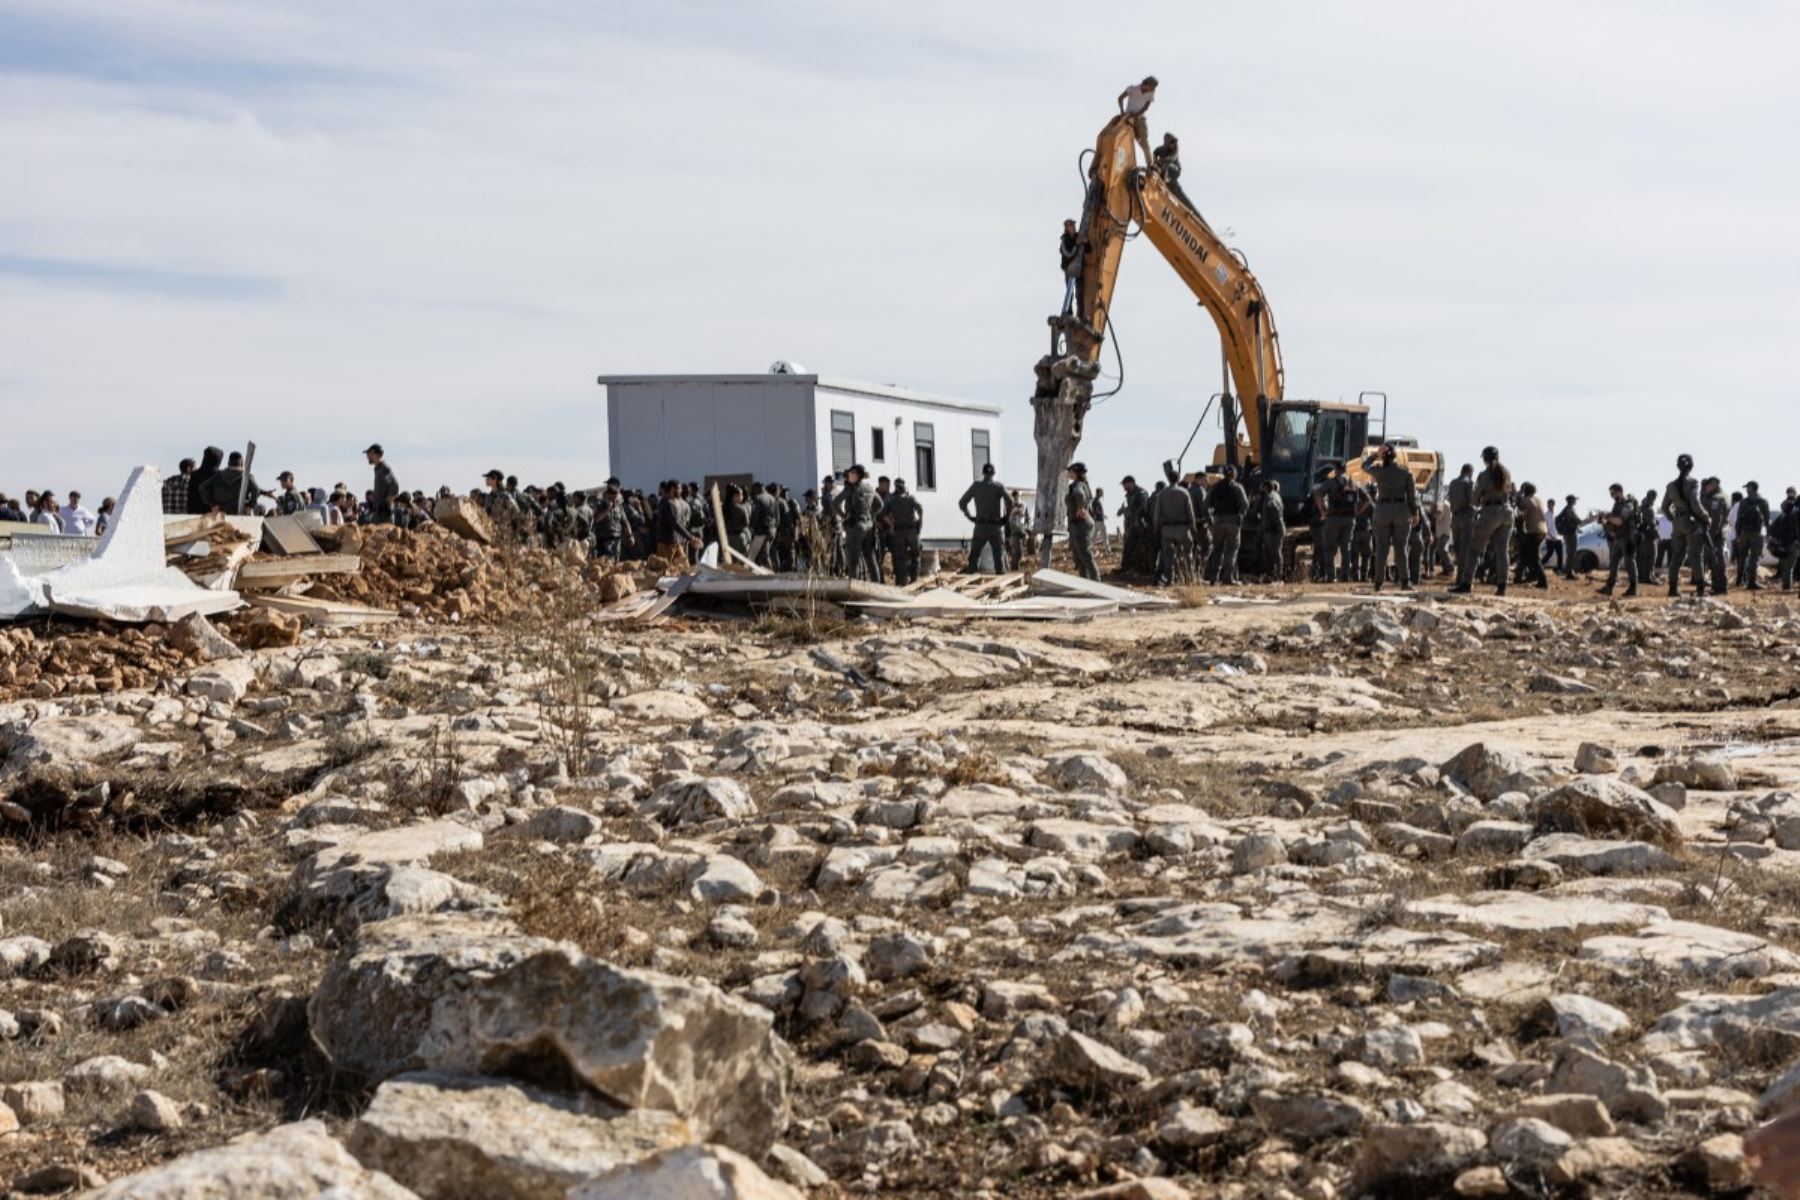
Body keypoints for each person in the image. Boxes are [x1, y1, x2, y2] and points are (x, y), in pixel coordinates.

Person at [1453, 446, 1513, 596]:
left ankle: (1466, 584)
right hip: (1507, 512)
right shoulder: (1506, 472)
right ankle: (1502, 586)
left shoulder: (1484, 474)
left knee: (1474, 549)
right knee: (1502, 551)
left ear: (1485, 458)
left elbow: (1474, 498)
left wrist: (1477, 503)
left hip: (1490, 512)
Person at [1366, 443, 1419, 591]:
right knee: (1401, 547)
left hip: (1382, 510)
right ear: (1396, 456)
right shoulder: (1406, 474)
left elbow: (1364, 466)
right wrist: (1415, 513)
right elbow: (1411, 497)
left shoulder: (1379, 472)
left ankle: (1378, 582)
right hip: (1401, 511)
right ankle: (1405, 581)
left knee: (1382, 548)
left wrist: (1376, 454)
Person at [1661, 454, 1711, 598]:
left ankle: (1672, 589)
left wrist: (1674, 519)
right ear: (1691, 466)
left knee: (1676, 557)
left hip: (1678, 523)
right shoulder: (1692, 483)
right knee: (1696, 556)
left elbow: (1665, 507)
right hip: (1691, 523)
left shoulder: (1671, 486)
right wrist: (1706, 517)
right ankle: (1701, 589)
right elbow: (1695, 503)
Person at [833, 463, 885, 581]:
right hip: (869, 526)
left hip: (856, 527)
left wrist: (844, 515)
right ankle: (876, 586)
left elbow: (835, 503)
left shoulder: (850, 489)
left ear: (856, 475)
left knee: (853, 562)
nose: (848, 475)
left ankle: (853, 589)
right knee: (870, 559)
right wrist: (871, 515)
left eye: (851, 473)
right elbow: (880, 504)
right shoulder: (869, 488)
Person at [958, 462, 1012, 574]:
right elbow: (1010, 501)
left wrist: (969, 516)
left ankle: (971, 579)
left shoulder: (976, 486)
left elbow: (962, 502)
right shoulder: (998, 487)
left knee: (974, 557)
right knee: (998, 558)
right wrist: (1006, 517)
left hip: (980, 526)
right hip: (994, 527)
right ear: (993, 473)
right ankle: (999, 581)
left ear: (983, 473)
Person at [1150, 470, 1197, 584]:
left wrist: (1156, 529)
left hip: (1167, 529)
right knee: (1188, 554)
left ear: (1168, 479)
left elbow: (1157, 515)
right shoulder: (1184, 493)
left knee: (1168, 557)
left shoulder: (1162, 494)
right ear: (1178, 478)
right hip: (1183, 528)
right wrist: (1193, 527)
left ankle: (1170, 579)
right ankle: (1189, 578)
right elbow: (1190, 513)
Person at [1206, 465, 1248, 586]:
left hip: (1218, 521)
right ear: (1234, 475)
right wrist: (1240, 517)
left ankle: (1214, 578)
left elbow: (1206, 504)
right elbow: (1244, 504)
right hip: (1232, 522)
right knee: (1231, 550)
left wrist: (1210, 520)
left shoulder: (1215, 487)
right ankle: (1227, 577)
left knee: (1217, 550)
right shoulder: (1237, 487)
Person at [1599, 483, 1638, 597]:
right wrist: (1604, 519)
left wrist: (1608, 518)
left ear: (1619, 491)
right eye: (1611, 493)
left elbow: (1619, 521)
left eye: (1613, 493)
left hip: (1628, 538)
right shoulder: (1616, 505)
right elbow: (1612, 521)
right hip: (1618, 538)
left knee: (1629, 563)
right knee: (1613, 563)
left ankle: (1633, 589)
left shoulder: (1628, 504)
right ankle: (1609, 587)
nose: (1611, 495)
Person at [887, 479, 924, 585]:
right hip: (912, 531)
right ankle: (914, 579)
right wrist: (921, 522)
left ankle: (902, 581)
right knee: (915, 555)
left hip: (899, 532)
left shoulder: (892, 499)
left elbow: (883, 513)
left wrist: (891, 524)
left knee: (901, 557)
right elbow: (920, 509)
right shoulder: (910, 498)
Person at [1066, 462, 1098, 580]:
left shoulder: (1077, 485)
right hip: (1080, 523)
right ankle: (1085, 582)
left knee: (1084, 555)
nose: (1068, 473)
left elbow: (1079, 495)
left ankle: (1095, 583)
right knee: (1080, 556)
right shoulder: (1082, 484)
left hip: (1080, 523)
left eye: (1070, 471)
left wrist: (1080, 508)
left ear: (1074, 472)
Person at [1116, 75, 1158, 163]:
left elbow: (1146, 107)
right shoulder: (1133, 88)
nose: (1153, 90)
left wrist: (1136, 115)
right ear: (1147, 84)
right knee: (1129, 139)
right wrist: (1122, 112)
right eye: (1152, 87)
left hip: (1140, 118)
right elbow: (1120, 98)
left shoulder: (1150, 93)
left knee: (1144, 143)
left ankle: (1150, 164)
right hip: (1128, 118)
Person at [1515, 482, 1549, 589]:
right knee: (1525, 554)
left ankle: (1543, 582)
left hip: (1533, 531)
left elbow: (1521, 515)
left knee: (1534, 558)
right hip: (1543, 530)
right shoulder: (1539, 500)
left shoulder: (1525, 501)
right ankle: (1518, 577)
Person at [1254, 479, 1287, 583]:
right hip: (1273, 529)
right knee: (1269, 554)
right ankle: (1272, 575)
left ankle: (1277, 576)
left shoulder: (1270, 497)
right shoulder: (1273, 495)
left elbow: (1274, 510)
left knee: (1275, 554)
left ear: (1266, 487)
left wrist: (1274, 524)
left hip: (1273, 530)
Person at [1446, 462, 1475, 573]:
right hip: (1467, 516)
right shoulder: (1469, 483)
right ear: (1470, 472)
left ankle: (1459, 574)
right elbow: (1472, 501)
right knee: (1466, 547)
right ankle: (1463, 575)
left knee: (1458, 547)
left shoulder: (1453, 483)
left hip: (1455, 517)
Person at [366, 444, 399, 525]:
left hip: (384, 512)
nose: (368, 456)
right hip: (379, 511)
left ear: (376, 454)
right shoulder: (378, 469)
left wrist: (388, 501)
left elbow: (394, 485)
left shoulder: (383, 468)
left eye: (369, 453)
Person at [1636, 487, 1662, 586]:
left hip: (1641, 536)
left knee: (1642, 558)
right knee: (1651, 557)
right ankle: (1647, 577)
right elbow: (1651, 525)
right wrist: (1658, 535)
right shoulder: (1649, 509)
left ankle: (1642, 577)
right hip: (1649, 536)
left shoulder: (1641, 507)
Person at [1060, 219, 1085, 318]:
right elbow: (1068, 253)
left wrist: (1085, 242)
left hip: (1079, 268)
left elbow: (1087, 250)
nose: (1074, 227)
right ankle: (1068, 312)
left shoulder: (1077, 237)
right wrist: (1077, 244)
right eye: (1071, 226)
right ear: (1066, 228)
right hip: (1069, 268)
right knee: (1070, 290)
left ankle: (1081, 314)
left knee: (1080, 292)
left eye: (1074, 225)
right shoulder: (1065, 240)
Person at [188, 446, 223, 516]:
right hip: (214, 514)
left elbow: (190, 496)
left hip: (196, 513)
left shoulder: (195, 475)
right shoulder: (219, 475)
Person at [1556, 494, 1581, 578]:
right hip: (1571, 534)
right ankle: (1569, 573)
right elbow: (1577, 520)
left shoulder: (1566, 509)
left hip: (1568, 533)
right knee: (1571, 553)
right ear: (1572, 501)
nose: (1575, 501)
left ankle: (1569, 572)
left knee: (1570, 553)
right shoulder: (1569, 510)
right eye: (1574, 500)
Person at [1005, 490, 1028, 570]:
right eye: (1015, 497)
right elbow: (1007, 521)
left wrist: (1026, 529)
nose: (1016, 498)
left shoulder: (1023, 505)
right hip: (1014, 531)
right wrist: (1007, 536)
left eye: (1017, 496)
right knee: (1014, 553)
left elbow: (1026, 517)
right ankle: (1014, 570)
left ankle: (1015, 568)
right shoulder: (1010, 507)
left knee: (1020, 553)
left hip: (1021, 530)